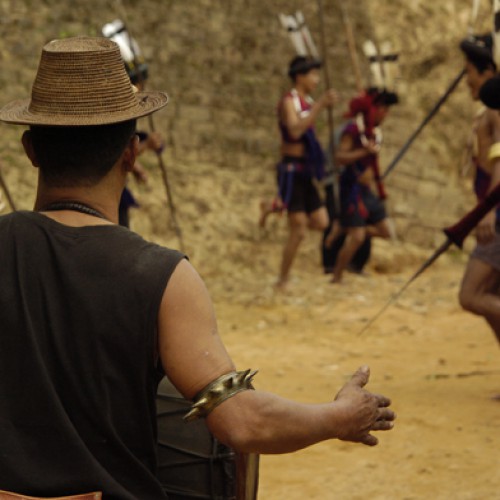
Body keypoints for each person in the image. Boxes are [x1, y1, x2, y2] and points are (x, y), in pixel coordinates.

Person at [0, 37, 395, 499]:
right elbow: (241, 422)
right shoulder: (163, 276)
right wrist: (340, 416)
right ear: (131, 153)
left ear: (30, 149)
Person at [270, 55, 338, 290]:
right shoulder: (290, 101)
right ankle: (283, 279)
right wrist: (320, 106)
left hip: (306, 171)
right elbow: (296, 130)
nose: (317, 80)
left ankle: (274, 207)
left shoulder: (306, 102)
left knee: (321, 221)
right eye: (313, 74)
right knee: (298, 230)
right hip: (291, 170)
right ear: (300, 76)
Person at [457, 34, 500, 354]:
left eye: (469, 71)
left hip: (497, 213)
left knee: (471, 295)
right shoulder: (487, 111)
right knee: (490, 296)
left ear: (486, 70)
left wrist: (489, 210)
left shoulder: (496, 111)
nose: (466, 80)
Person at [328, 87, 398, 283]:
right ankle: (337, 276)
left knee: (386, 231)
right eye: (383, 110)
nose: (386, 115)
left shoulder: (374, 133)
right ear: (373, 109)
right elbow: (339, 157)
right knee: (357, 238)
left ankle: (344, 227)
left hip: (367, 191)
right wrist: (363, 153)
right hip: (351, 189)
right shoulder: (353, 130)